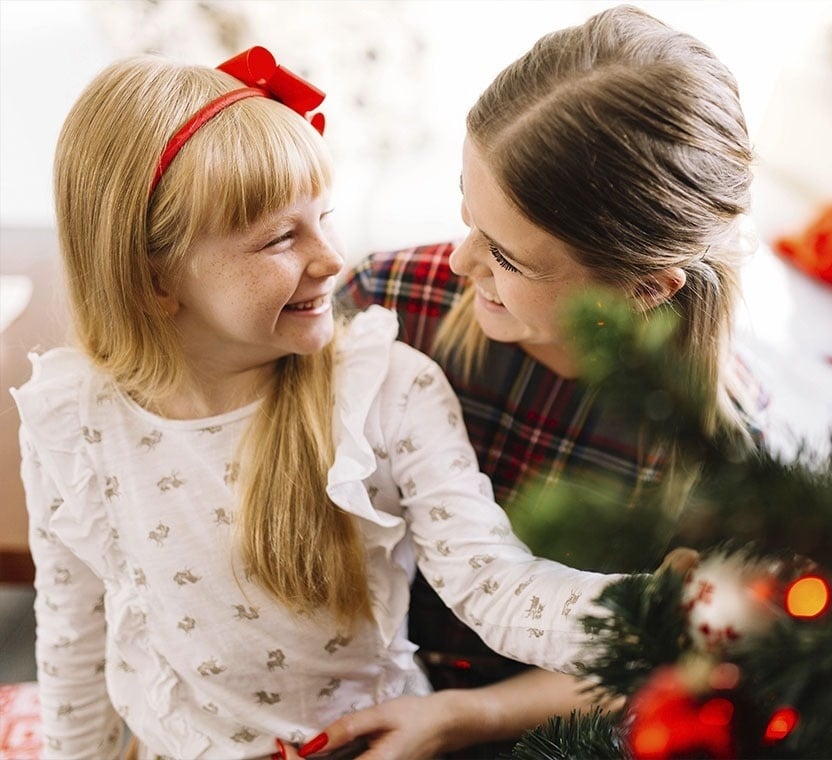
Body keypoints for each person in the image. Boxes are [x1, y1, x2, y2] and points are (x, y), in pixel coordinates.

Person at [13, 46, 631, 760]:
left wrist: (669, 617)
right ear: (153, 281)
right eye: (281, 237)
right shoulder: (73, 421)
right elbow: (72, 638)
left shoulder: (385, 389)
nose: (333, 259)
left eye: (325, 217)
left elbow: (494, 584)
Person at [311, 4, 767, 757]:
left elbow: (663, 659)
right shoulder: (391, 305)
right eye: (468, 209)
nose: (461, 262)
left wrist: (464, 719)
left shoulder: (722, 454)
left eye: (510, 258)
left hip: (552, 734)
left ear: (644, 289)